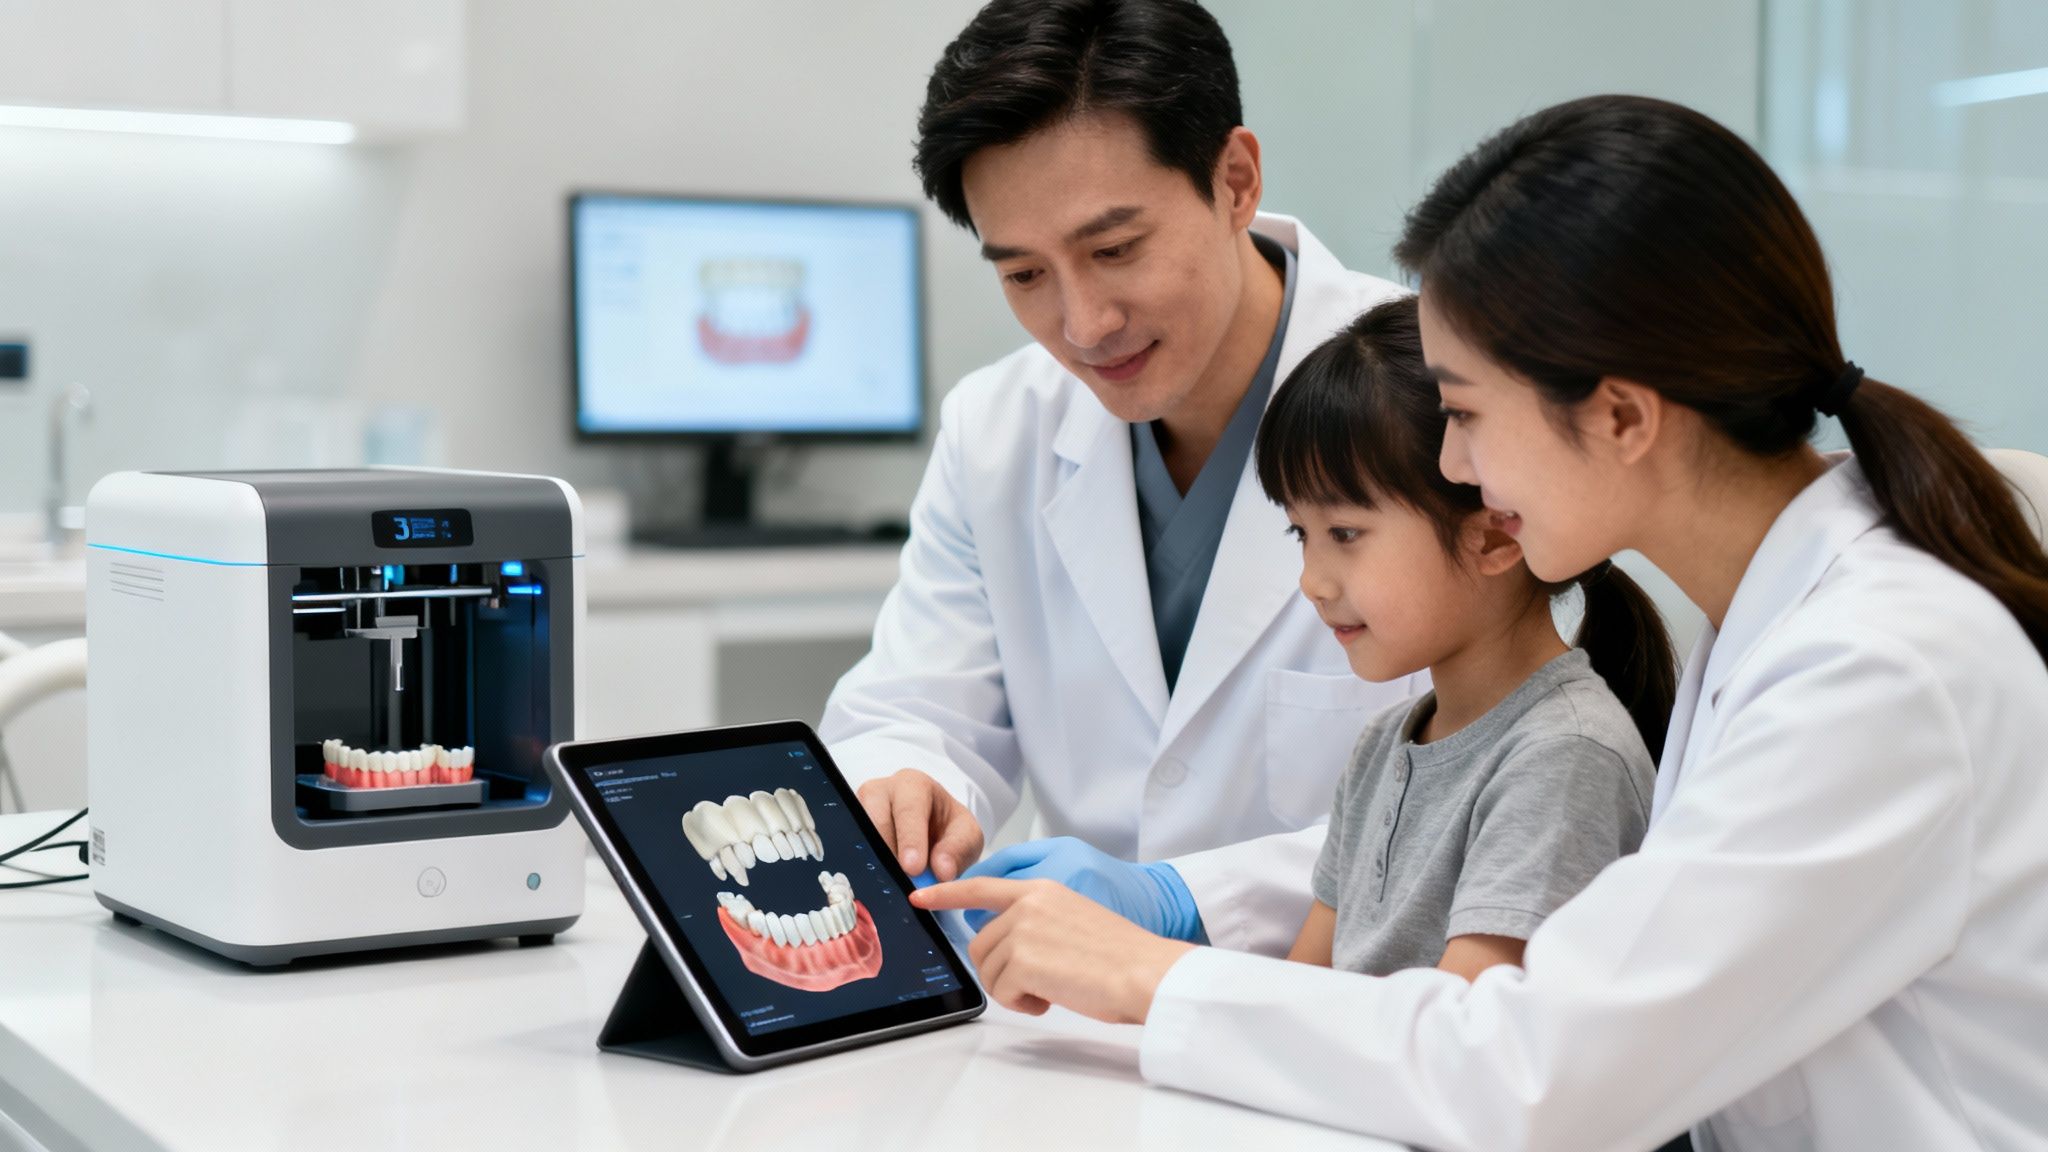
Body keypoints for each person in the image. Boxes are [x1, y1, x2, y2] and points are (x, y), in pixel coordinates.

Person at [914, 94, 2048, 1151]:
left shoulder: (1876, 666)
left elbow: (1536, 1069)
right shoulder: (1773, 625)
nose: (1452, 463)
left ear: (1617, 416)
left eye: (1461, 412)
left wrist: (1154, 975)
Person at [820, 0, 1419, 956]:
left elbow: (1489, 794)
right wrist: (906, 780)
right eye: (1024, 275)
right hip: (1071, 1022)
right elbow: (917, 705)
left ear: (1235, 180)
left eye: (1114, 249)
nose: (1084, 323)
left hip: (1348, 1018)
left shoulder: (1440, 400)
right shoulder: (996, 429)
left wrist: (1183, 897)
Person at [1245, 295, 1670, 983]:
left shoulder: (1564, 754)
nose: (1313, 582)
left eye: (1345, 534)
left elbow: (1461, 1037)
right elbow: (1299, 991)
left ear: (1495, 535)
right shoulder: (1384, 745)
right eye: (1303, 534)